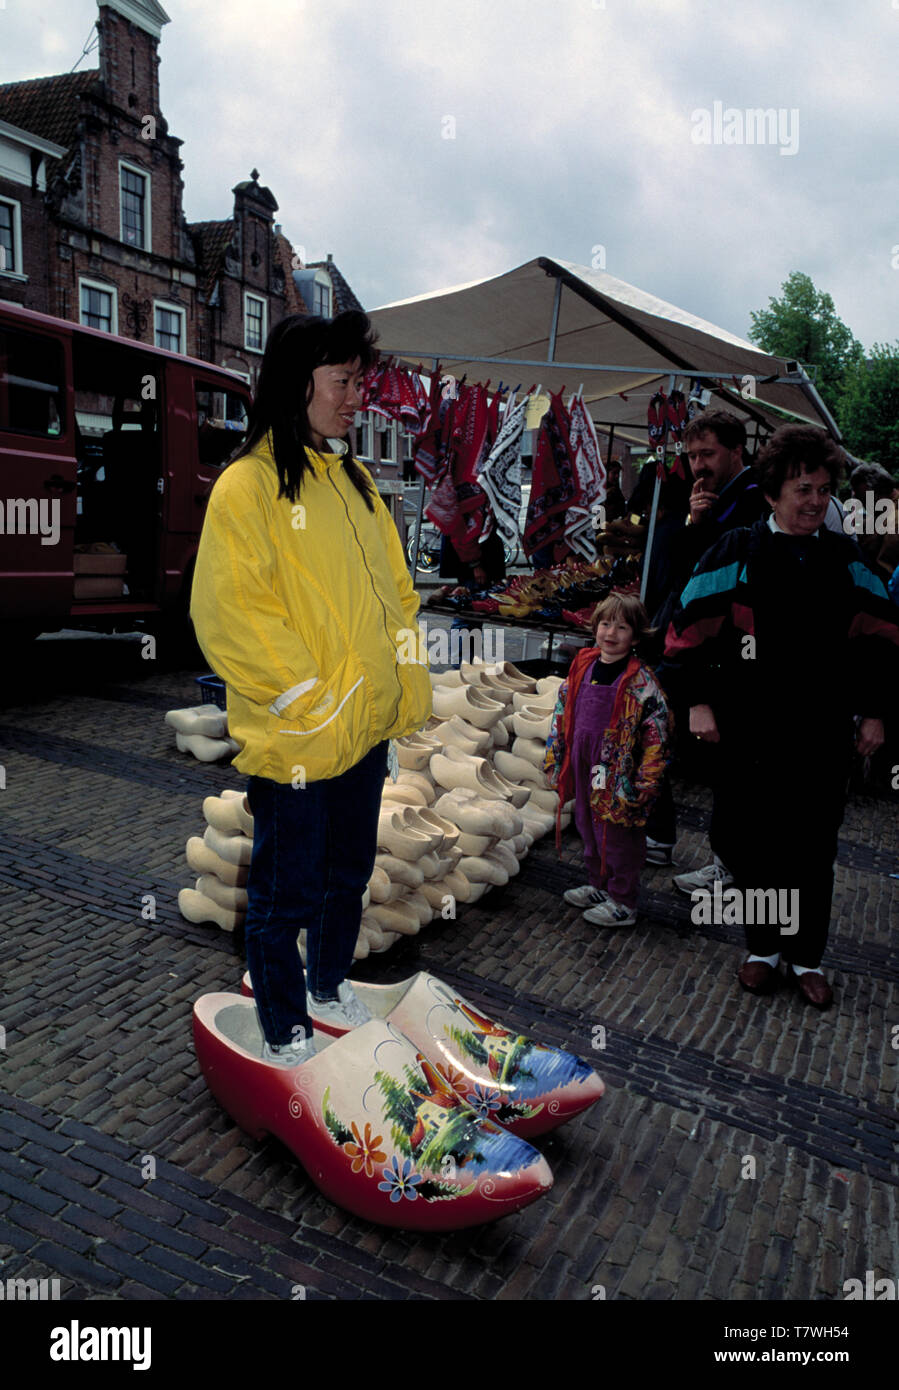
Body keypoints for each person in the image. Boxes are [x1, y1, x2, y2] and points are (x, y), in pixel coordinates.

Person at [190, 311, 431, 1064]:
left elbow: (396, 593)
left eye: (360, 381)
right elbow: (231, 608)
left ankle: (327, 987)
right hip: (297, 738)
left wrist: (397, 695)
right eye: (344, 382)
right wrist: (308, 699)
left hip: (360, 730)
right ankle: (284, 1028)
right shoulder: (247, 485)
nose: (358, 396)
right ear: (298, 385)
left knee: (346, 875)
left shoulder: (355, 482)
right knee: (282, 893)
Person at [664, 424, 899, 1009]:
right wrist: (695, 700)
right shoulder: (738, 553)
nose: (815, 500)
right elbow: (684, 629)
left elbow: (885, 639)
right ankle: (762, 950)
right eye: (802, 489)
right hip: (749, 731)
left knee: (813, 847)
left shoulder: (847, 563)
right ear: (772, 494)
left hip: (820, 734)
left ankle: (808, 957)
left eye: (822, 489)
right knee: (753, 842)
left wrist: (874, 711)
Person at [645, 410, 769, 871]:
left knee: (730, 764)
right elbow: (682, 571)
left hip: (727, 654)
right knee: (651, 726)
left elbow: (727, 575)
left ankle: (726, 862)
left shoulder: (756, 499)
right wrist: (695, 524)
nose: (698, 464)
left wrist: (703, 528)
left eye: (708, 453)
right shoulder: (706, 496)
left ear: (736, 451)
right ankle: (659, 838)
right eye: (692, 454)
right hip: (695, 645)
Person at [544, 592, 671, 927]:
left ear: (636, 635)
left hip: (617, 772)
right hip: (583, 762)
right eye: (605, 624)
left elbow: (657, 732)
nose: (611, 633)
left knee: (616, 832)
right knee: (586, 822)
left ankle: (623, 899)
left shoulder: (641, 682)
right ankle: (598, 884)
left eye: (622, 627)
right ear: (595, 626)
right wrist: (555, 759)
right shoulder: (582, 666)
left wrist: (647, 778)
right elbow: (561, 713)